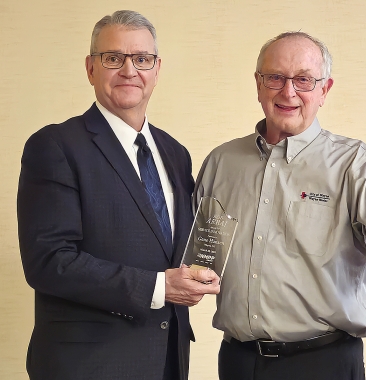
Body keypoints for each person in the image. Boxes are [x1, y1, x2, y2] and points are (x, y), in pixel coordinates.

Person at [194, 31, 366, 380]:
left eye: (303, 80)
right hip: (238, 361)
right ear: (258, 84)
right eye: (276, 78)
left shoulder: (354, 164)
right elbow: (193, 249)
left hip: (323, 363)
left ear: (324, 90)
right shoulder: (221, 162)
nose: (288, 92)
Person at [17, 10, 220, 380]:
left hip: (167, 361)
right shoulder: (55, 146)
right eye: (113, 58)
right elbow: (49, 261)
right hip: (88, 366)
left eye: (142, 59)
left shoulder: (175, 153)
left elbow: (176, 246)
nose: (130, 70)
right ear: (90, 68)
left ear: (157, 70)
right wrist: (159, 286)